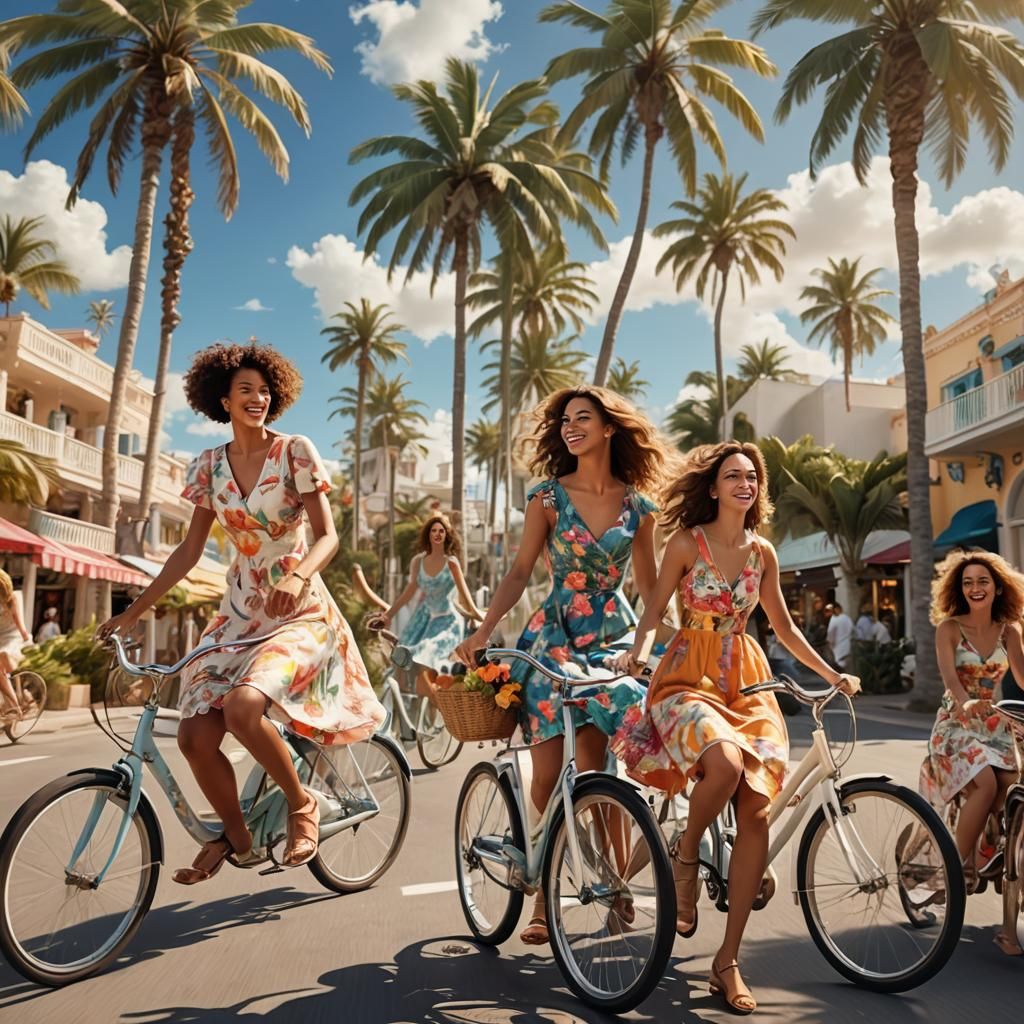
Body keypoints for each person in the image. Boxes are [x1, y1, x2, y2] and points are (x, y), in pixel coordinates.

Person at [98, 342, 386, 884]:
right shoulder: (208, 466)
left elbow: (328, 536)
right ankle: (237, 835)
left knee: (243, 707)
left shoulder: (294, 451)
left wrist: (299, 576)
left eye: (264, 389)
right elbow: (187, 553)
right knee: (192, 737)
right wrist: (133, 613)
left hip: (300, 613)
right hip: (237, 617)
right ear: (223, 400)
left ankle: (304, 805)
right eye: (245, 390)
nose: (258, 397)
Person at [610, 442, 859, 1014]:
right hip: (686, 677)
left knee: (757, 812)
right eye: (733, 476)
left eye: (751, 477)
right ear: (714, 488)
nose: (744, 484)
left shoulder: (763, 552)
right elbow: (652, 615)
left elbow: (785, 628)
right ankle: (687, 853)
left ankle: (727, 962)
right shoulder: (684, 543)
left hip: (746, 681)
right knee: (721, 761)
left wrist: (833, 673)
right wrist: (636, 652)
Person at [455, 385, 667, 945]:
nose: (571, 427)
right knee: (549, 775)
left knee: (599, 774)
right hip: (554, 637)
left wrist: (673, 638)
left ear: (609, 429)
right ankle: (543, 901)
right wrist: (483, 629)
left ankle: (617, 885)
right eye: (566, 420)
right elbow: (521, 571)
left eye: (583, 418)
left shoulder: (639, 507)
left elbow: (648, 588)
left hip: (612, 639)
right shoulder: (547, 498)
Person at [918, 550, 1024, 955]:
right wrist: (963, 702)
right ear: (959, 589)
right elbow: (950, 679)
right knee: (982, 783)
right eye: (968, 582)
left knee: (1010, 791)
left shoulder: (1009, 630)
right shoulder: (949, 628)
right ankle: (952, 868)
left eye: (983, 581)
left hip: (996, 724)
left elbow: (1022, 676)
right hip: (956, 724)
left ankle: (989, 853)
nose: (975, 588)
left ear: (998, 587)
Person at [376, 515, 484, 677]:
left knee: (427, 651)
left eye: (441, 531)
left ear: (447, 535)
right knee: (402, 658)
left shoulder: (452, 563)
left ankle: (430, 694)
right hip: (423, 619)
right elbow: (408, 592)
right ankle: (408, 697)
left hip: (447, 620)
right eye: (434, 530)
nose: (437, 534)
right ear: (428, 534)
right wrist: (387, 616)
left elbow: (465, 597)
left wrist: (481, 617)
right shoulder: (417, 562)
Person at [0, 569, 32, 720]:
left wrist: (28, 640)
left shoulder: (12, 598)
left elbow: (20, 624)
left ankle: (17, 701)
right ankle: (11, 702)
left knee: (3, 655)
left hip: (14, 638)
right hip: (0, 638)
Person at [826, 602, 853, 669]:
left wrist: (829, 642)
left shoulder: (834, 619)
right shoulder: (847, 618)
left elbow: (830, 634)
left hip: (837, 646)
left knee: (839, 667)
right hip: (846, 645)